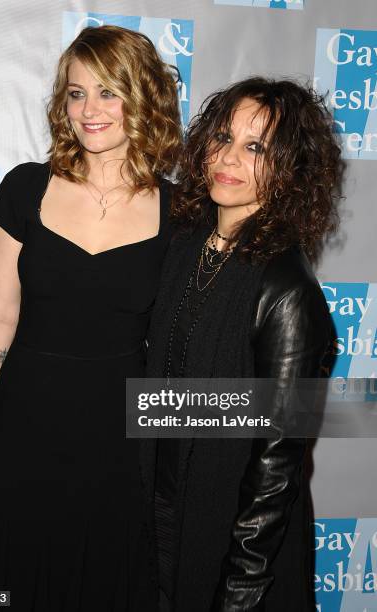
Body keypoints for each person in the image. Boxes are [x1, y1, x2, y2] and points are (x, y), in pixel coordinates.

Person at [0, 25, 182, 611]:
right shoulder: (26, 189)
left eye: (108, 92)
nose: (89, 110)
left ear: (142, 97)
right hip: (27, 422)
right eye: (77, 94)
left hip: (120, 440)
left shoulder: (180, 210)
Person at [142, 77, 343, 611]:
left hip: (229, 546)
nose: (228, 157)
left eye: (255, 147)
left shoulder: (288, 288)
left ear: (290, 168)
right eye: (223, 137)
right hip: (160, 516)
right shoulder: (185, 245)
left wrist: (242, 587)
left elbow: (278, 462)